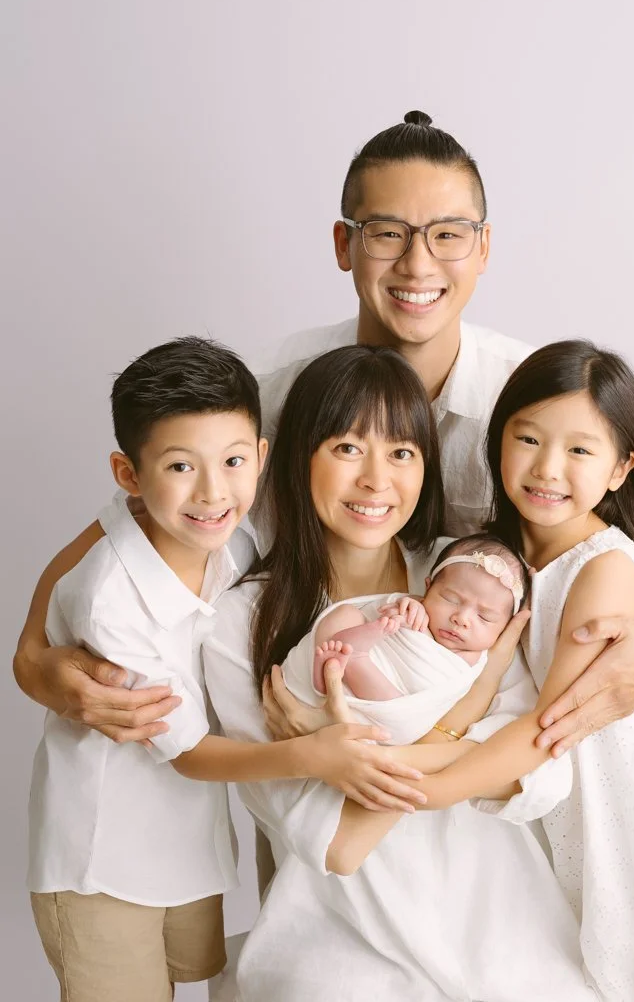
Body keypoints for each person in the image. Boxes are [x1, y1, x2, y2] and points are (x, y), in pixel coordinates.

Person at [13, 110, 634, 857]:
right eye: (387, 232)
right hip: (315, 736)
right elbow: (132, 517)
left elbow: (602, 548)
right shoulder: (276, 392)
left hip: (481, 785)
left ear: (484, 247)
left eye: (448, 233)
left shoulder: (527, 401)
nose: (418, 264)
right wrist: (33, 656)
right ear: (344, 244)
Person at [27, 337, 424, 1002]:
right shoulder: (111, 606)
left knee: (199, 977)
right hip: (102, 855)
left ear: (261, 459)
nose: (213, 491)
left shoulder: (232, 539)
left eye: (234, 462)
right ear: (128, 474)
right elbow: (186, 753)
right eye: (181, 466)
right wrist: (313, 753)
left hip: (188, 844)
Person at [200, 346, 595, 1002]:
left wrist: (341, 747)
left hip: (500, 911)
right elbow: (331, 839)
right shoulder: (241, 622)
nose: (376, 480)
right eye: (348, 448)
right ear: (298, 456)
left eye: (402, 452)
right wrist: (466, 722)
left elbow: (538, 764)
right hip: (347, 928)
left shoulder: (470, 576)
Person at [329, 341, 634, 1002]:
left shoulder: (600, 569)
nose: (547, 469)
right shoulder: (496, 550)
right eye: (529, 439)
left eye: (580, 450)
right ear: (498, 439)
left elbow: (549, 728)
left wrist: (430, 789)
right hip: (546, 790)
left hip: (619, 795)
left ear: (621, 468)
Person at [280, 535, 529, 751]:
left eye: (484, 617)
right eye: (450, 599)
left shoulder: (472, 659)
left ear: (505, 626)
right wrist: (407, 608)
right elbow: (382, 612)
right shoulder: (419, 607)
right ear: (428, 587)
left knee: (402, 717)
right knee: (343, 615)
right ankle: (325, 677)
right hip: (347, 669)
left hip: (394, 711)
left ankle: (351, 662)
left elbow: (435, 686)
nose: (461, 619)